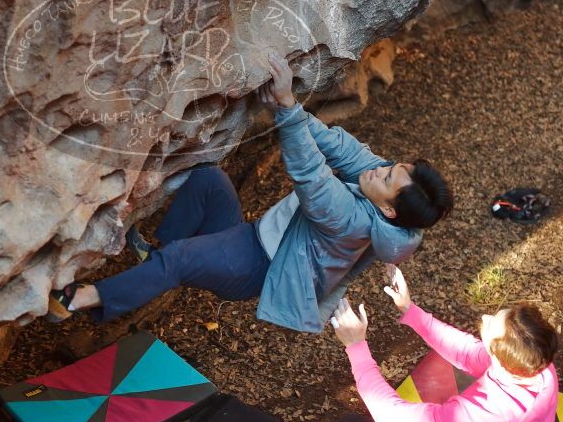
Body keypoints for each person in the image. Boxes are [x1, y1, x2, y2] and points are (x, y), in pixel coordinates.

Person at [46, 53, 453, 332]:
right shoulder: (380, 192)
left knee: (180, 260)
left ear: (390, 212)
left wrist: (289, 108)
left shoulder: (352, 220)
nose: (379, 169)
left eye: (387, 178)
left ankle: (80, 299)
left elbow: (312, 175)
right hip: (251, 237)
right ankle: (156, 262)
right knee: (209, 181)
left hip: (257, 265)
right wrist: (286, 105)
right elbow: (335, 145)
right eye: (389, 167)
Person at [331, 266, 560, 422]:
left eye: (490, 326)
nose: (484, 318)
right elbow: (466, 352)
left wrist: (356, 346)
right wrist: (411, 311)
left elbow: (392, 416)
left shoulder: (472, 418)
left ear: (499, 359)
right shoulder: (535, 363)